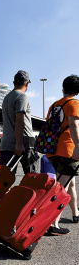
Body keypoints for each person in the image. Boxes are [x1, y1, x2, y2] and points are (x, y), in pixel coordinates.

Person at [46, 75, 79, 236]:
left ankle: (75, 213)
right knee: (62, 188)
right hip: (68, 150)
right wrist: (78, 146)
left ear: (63, 88)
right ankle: (53, 224)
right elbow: (74, 124)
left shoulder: (53, 105)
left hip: (53, 150)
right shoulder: (74, 103)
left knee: (69, 183)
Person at [0, 70, 39, 174]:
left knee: (4, 180)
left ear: (14, 83)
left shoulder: (6, 98)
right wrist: (19, 144)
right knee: (32, 178)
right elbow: (20, 120)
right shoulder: (22, 96)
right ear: (27, 84)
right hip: (24, 143)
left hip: (6, 143)